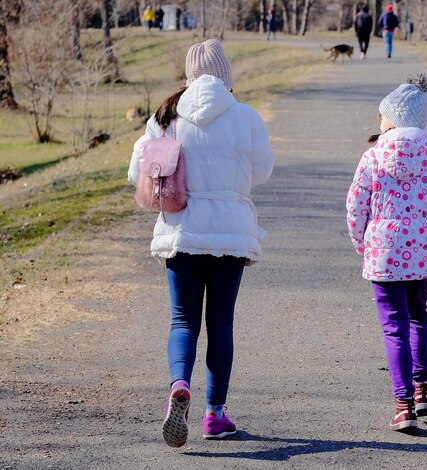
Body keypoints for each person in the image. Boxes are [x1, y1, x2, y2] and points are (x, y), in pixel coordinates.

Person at [128, 39, 274, 447]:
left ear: (189, 76)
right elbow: (262, 172)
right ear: (226, 76)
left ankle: (179, 385)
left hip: (181, 230)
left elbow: (136, 172)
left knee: (183, 320)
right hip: (230, 233)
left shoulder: (166, 116)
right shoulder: (245, 117)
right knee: (220, 323)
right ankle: (215, 415)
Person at [346, 74, 427, 433]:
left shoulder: (373, 155)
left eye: (382, 115)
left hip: (383, 252)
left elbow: (356, 205)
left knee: (393, 327)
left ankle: (402, 404)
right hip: (421, 250)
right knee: (418, 317)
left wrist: (362, 244)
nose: (379, 121)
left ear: (392, 119)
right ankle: (422, 389)